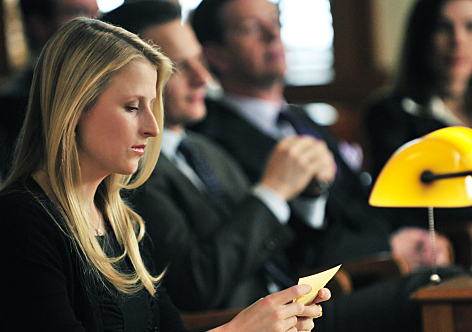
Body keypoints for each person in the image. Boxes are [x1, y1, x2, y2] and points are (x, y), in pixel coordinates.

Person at [0, 17, 329, 331]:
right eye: (132, 107)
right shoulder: (20, 222)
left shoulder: (122, 222)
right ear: (75, 109)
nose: (153, 128)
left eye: (152, 106)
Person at [190, 0, 464, 331]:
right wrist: (387, 247)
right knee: (453, 290)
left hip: (369, 269)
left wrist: (403, 237)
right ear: (217, 55)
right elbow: (284, 242)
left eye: (275, 21)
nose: (273, 35)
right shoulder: (210, 139)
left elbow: (362, 200)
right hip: (318, 293)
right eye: (250, 27)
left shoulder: (303, 118)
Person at [101, 0, 335, 313]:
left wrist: (310, 197)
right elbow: (195, 286)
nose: (203, 77)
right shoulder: (131, 170)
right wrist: (272, 192)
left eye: (199, 60)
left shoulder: (209, 151)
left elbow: (284, 258)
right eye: (178, 66)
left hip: (297, 309)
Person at [364, 0, 472, 251]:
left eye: (471, 27)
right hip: (453, 255)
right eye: (442, 27)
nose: (457, 39)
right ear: (422, 35)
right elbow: (405, 206)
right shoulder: (390, 114)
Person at [0, 0, 100, 182]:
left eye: (97, 13)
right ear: (37, 24)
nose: (96, 23)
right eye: (79, 12)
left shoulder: (110, 85)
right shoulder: (11, 103)